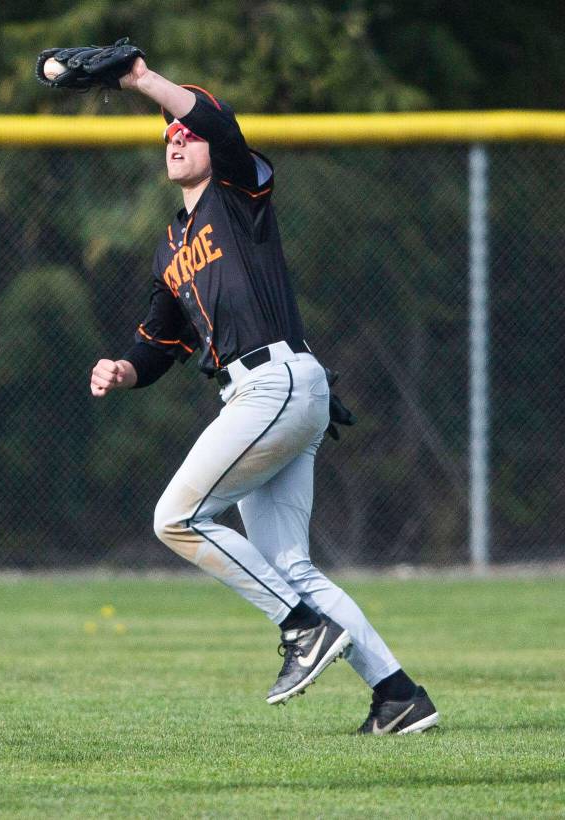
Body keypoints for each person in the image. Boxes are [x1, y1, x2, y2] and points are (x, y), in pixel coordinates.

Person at [89, 56, 438, 735]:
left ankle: (302, 628)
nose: (175, 138)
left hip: (274, 382)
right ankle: (398, 696)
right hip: (261, 393)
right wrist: (124, 371)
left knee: (175, 517)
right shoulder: (170, 246)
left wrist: (141, 79)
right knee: (288, 566)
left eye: (181, 130)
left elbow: (216, 122)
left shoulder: (236, 192)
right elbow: (158, 343)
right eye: (167, 135)